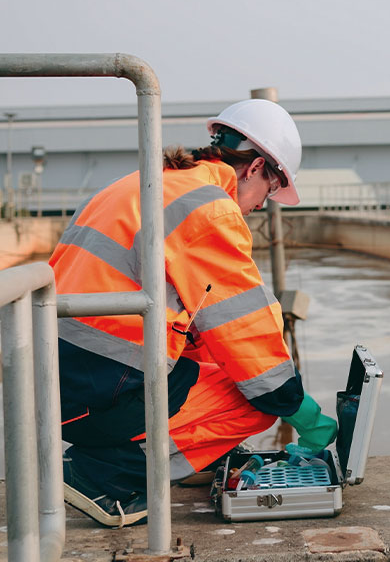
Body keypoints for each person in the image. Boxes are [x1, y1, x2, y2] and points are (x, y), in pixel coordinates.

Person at [50, 99, 338, 527]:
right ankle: (102, 476)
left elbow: (201, 320)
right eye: (271, 190)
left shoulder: (143, 184)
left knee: (215, 359)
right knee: (256, 399)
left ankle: (185, 459)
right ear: (256, 167)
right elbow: (244, 327)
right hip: (96, 393)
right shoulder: (208, 206)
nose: (263, 205)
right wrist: (299, 408)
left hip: (55, 383)